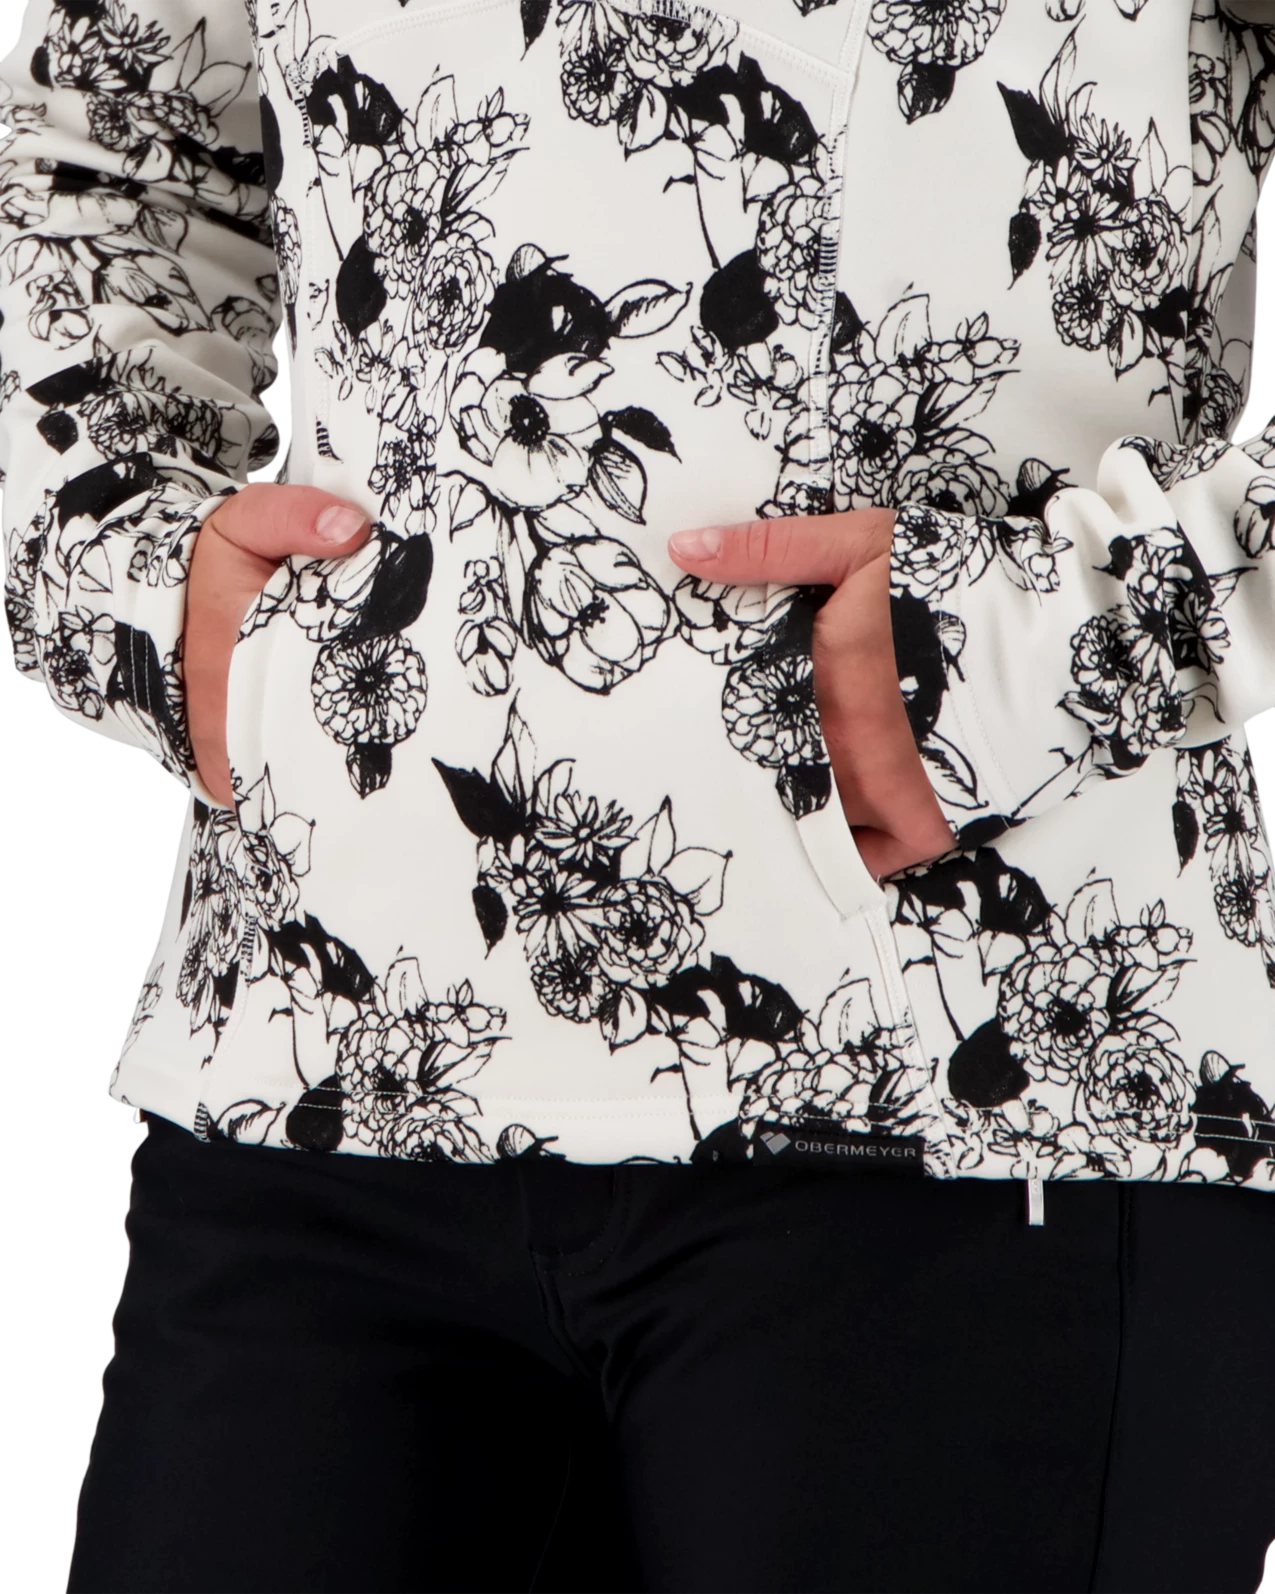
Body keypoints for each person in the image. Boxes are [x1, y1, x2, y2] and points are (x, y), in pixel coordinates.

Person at [2, 0, 1273, 1589]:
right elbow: (110, 141)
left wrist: (1063, 644)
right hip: (326, 1052)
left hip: (969, 1083)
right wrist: (134, 570)